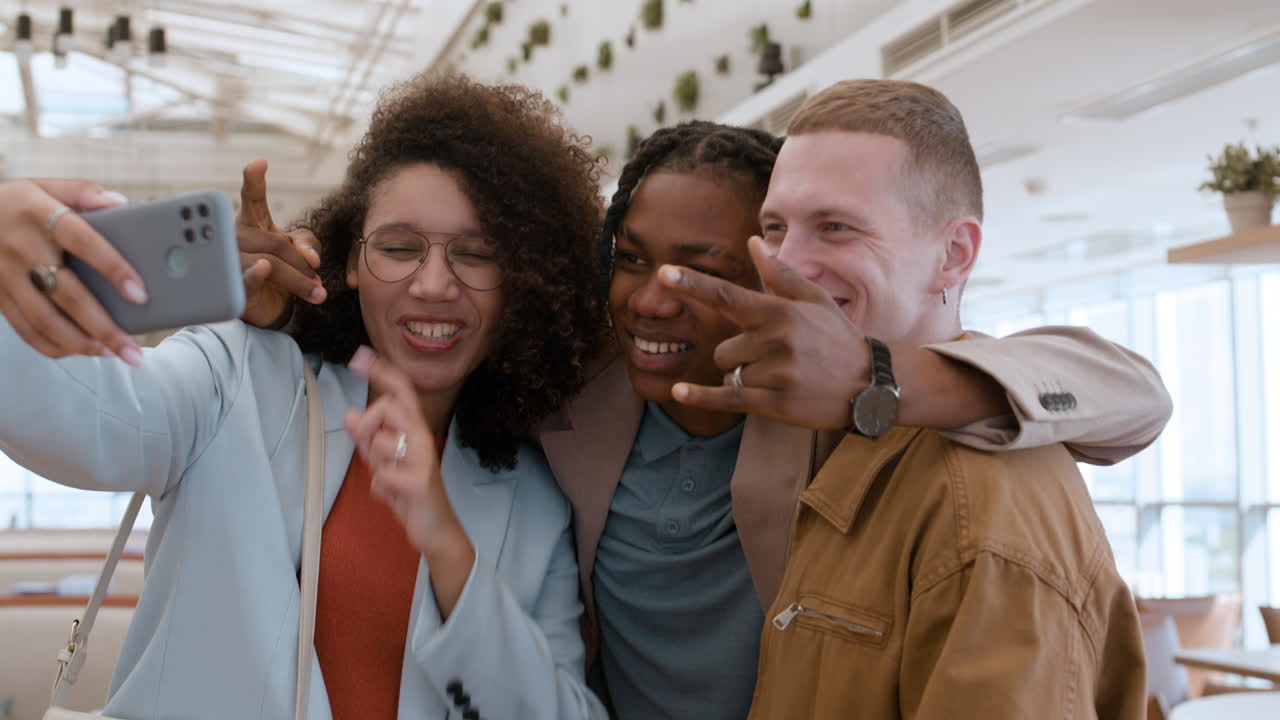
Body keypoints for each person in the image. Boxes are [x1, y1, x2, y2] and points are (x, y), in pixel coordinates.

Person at [242, 119, 1167, 719]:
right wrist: (293, 303)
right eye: (634, 259)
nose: (654, 299)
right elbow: (433, 316)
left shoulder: (835, 402)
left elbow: (1132, 395)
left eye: (702, 267)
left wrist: (874, 380)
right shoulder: (577, 386)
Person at [0, 74, 609, 720]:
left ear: (524, 280)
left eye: (477, 254)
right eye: (400, 247)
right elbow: (80, 425)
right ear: (349, 261)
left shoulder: (535, 500)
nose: (434, 284)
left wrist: (449, 549)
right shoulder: (242, 376)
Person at [658, 80, 1147, 718]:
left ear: (953, 255)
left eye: (836, 227)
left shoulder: (987, 506)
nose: (789, 263)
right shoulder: (796, 407)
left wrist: (875, 374)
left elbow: (1138, 393)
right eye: (775, 227)